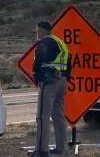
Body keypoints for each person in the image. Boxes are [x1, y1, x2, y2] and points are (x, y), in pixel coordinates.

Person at [29, 20, 71, 157]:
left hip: (49, 82)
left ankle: (42, 150)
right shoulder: (60, 42)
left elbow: (38, 64)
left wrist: (38, 79)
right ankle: (62, 148)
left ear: (41, 30)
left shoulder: (44, 43)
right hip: (62, 80)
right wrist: (65, 78)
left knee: (42, 117)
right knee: (59, 116)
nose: (36, 34)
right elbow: (68, 62)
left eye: (37, 31)